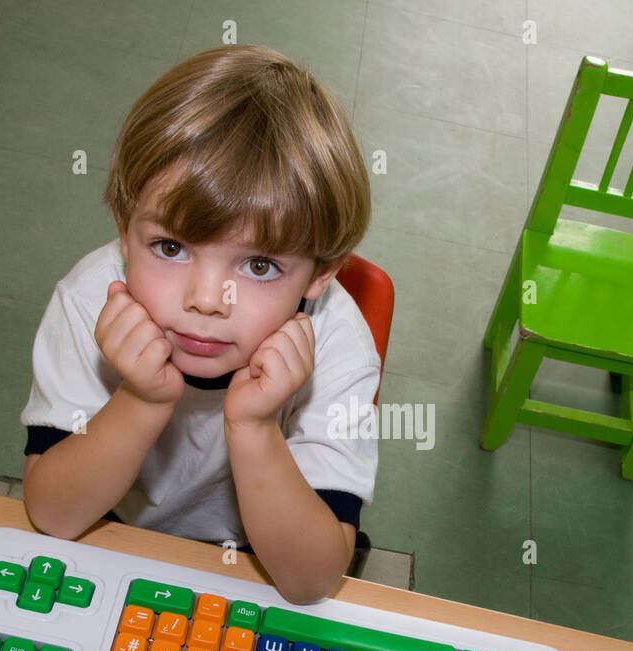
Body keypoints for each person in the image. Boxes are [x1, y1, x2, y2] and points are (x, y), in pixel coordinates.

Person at [20, 45, 377, 605]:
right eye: (170, 247)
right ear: (123, 226)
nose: (207, 300)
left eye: (260, 265)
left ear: (321, 273)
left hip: (261, 564)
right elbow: (54, 515)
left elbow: (309, 580)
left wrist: (256, 428)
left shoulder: (339, 345)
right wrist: (141, 399)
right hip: (107, 533)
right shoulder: (88, 302)